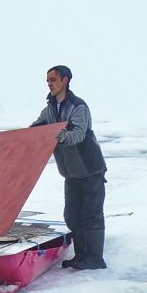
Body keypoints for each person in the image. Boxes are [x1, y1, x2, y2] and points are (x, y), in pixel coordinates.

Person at [34, 64, 108, 270]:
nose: (49, 83)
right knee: (72, 216)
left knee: (91, 215)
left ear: (65, 80)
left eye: (53, 79)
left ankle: (94, 259)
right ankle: (80, 256)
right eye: (47, 80)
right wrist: (8, 144)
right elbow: (34, 131)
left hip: (90, 170)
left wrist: (59, 135)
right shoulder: (49, 109)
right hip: (71, 174)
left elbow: (78, 134)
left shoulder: (78, 106)